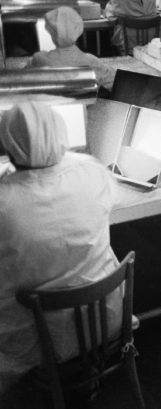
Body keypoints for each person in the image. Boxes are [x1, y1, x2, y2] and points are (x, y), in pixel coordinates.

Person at [0, 102, 121, 405]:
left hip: (37, 340)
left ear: (8, 145)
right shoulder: (93, 173)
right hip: (104, 319)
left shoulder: (4, 201)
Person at [28, 6, 116, 91]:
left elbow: (23, 81)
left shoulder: (39, 59)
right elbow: (116, 82)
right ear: (78, 29)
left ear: (51, 32)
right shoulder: (90, 61)